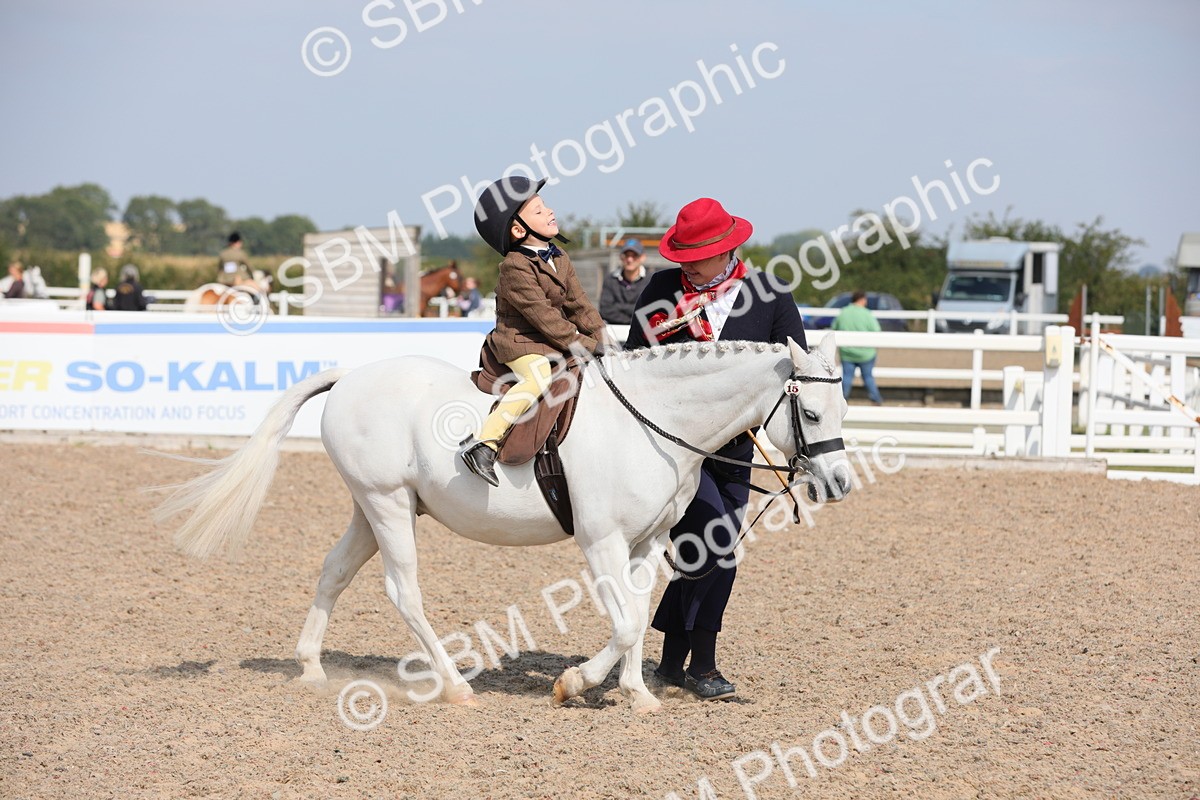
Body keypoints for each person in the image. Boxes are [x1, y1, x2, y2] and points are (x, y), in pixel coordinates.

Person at [625, 197, 808, 701]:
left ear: (727, 248)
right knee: (718, 549)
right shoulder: (662, 289)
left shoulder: (768, 293)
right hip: (676, 451)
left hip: (737, 449)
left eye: (694, 255)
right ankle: (702, 667)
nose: (684, 263)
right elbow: (634, 363)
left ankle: (667, 666)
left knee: (703, 554)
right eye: (680, 253)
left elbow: (794, 363)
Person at [458, 176, 607, 486]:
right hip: (520, 344)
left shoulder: (560, 257)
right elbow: (548, 320)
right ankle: (484, 444)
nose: (550, 211)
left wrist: (604, 338)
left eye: (545, 206)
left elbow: (580, 305)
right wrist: (586, 344)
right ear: (518, 230)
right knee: (538, 376)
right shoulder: (514, 267)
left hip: (549, 340)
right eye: (539, 211)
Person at [831, 291, 883, 405]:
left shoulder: (843, 313)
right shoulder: (866, 314)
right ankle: (876, 399)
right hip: (866, 353)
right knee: (868, 377)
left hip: (847, 352)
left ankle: (842, 400)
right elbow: (876, 330)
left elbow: (834, 327)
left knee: (847, 378)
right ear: (862, 299)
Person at [599, 238, 650, 325]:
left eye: (634, 255)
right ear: (621, 257)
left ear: (642, 257)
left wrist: (619, 306)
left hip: (643, 333)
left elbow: (650, 310)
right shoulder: (610, 280)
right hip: (615, 331)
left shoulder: (651, 281)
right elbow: (605, 310)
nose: (629, 259)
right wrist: (634, 317)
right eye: (626, 255)